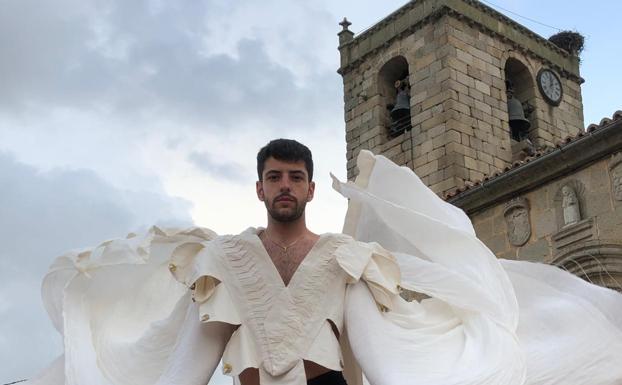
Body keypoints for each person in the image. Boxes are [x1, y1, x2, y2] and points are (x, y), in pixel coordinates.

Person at [26, 139, 622, 385]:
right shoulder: (225, 258)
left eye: (296, 178)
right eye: (273, 178)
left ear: (311, 189)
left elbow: (378, 354)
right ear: (258, 188)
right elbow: (189, 360)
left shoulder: (346, 256)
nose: (285, 186)